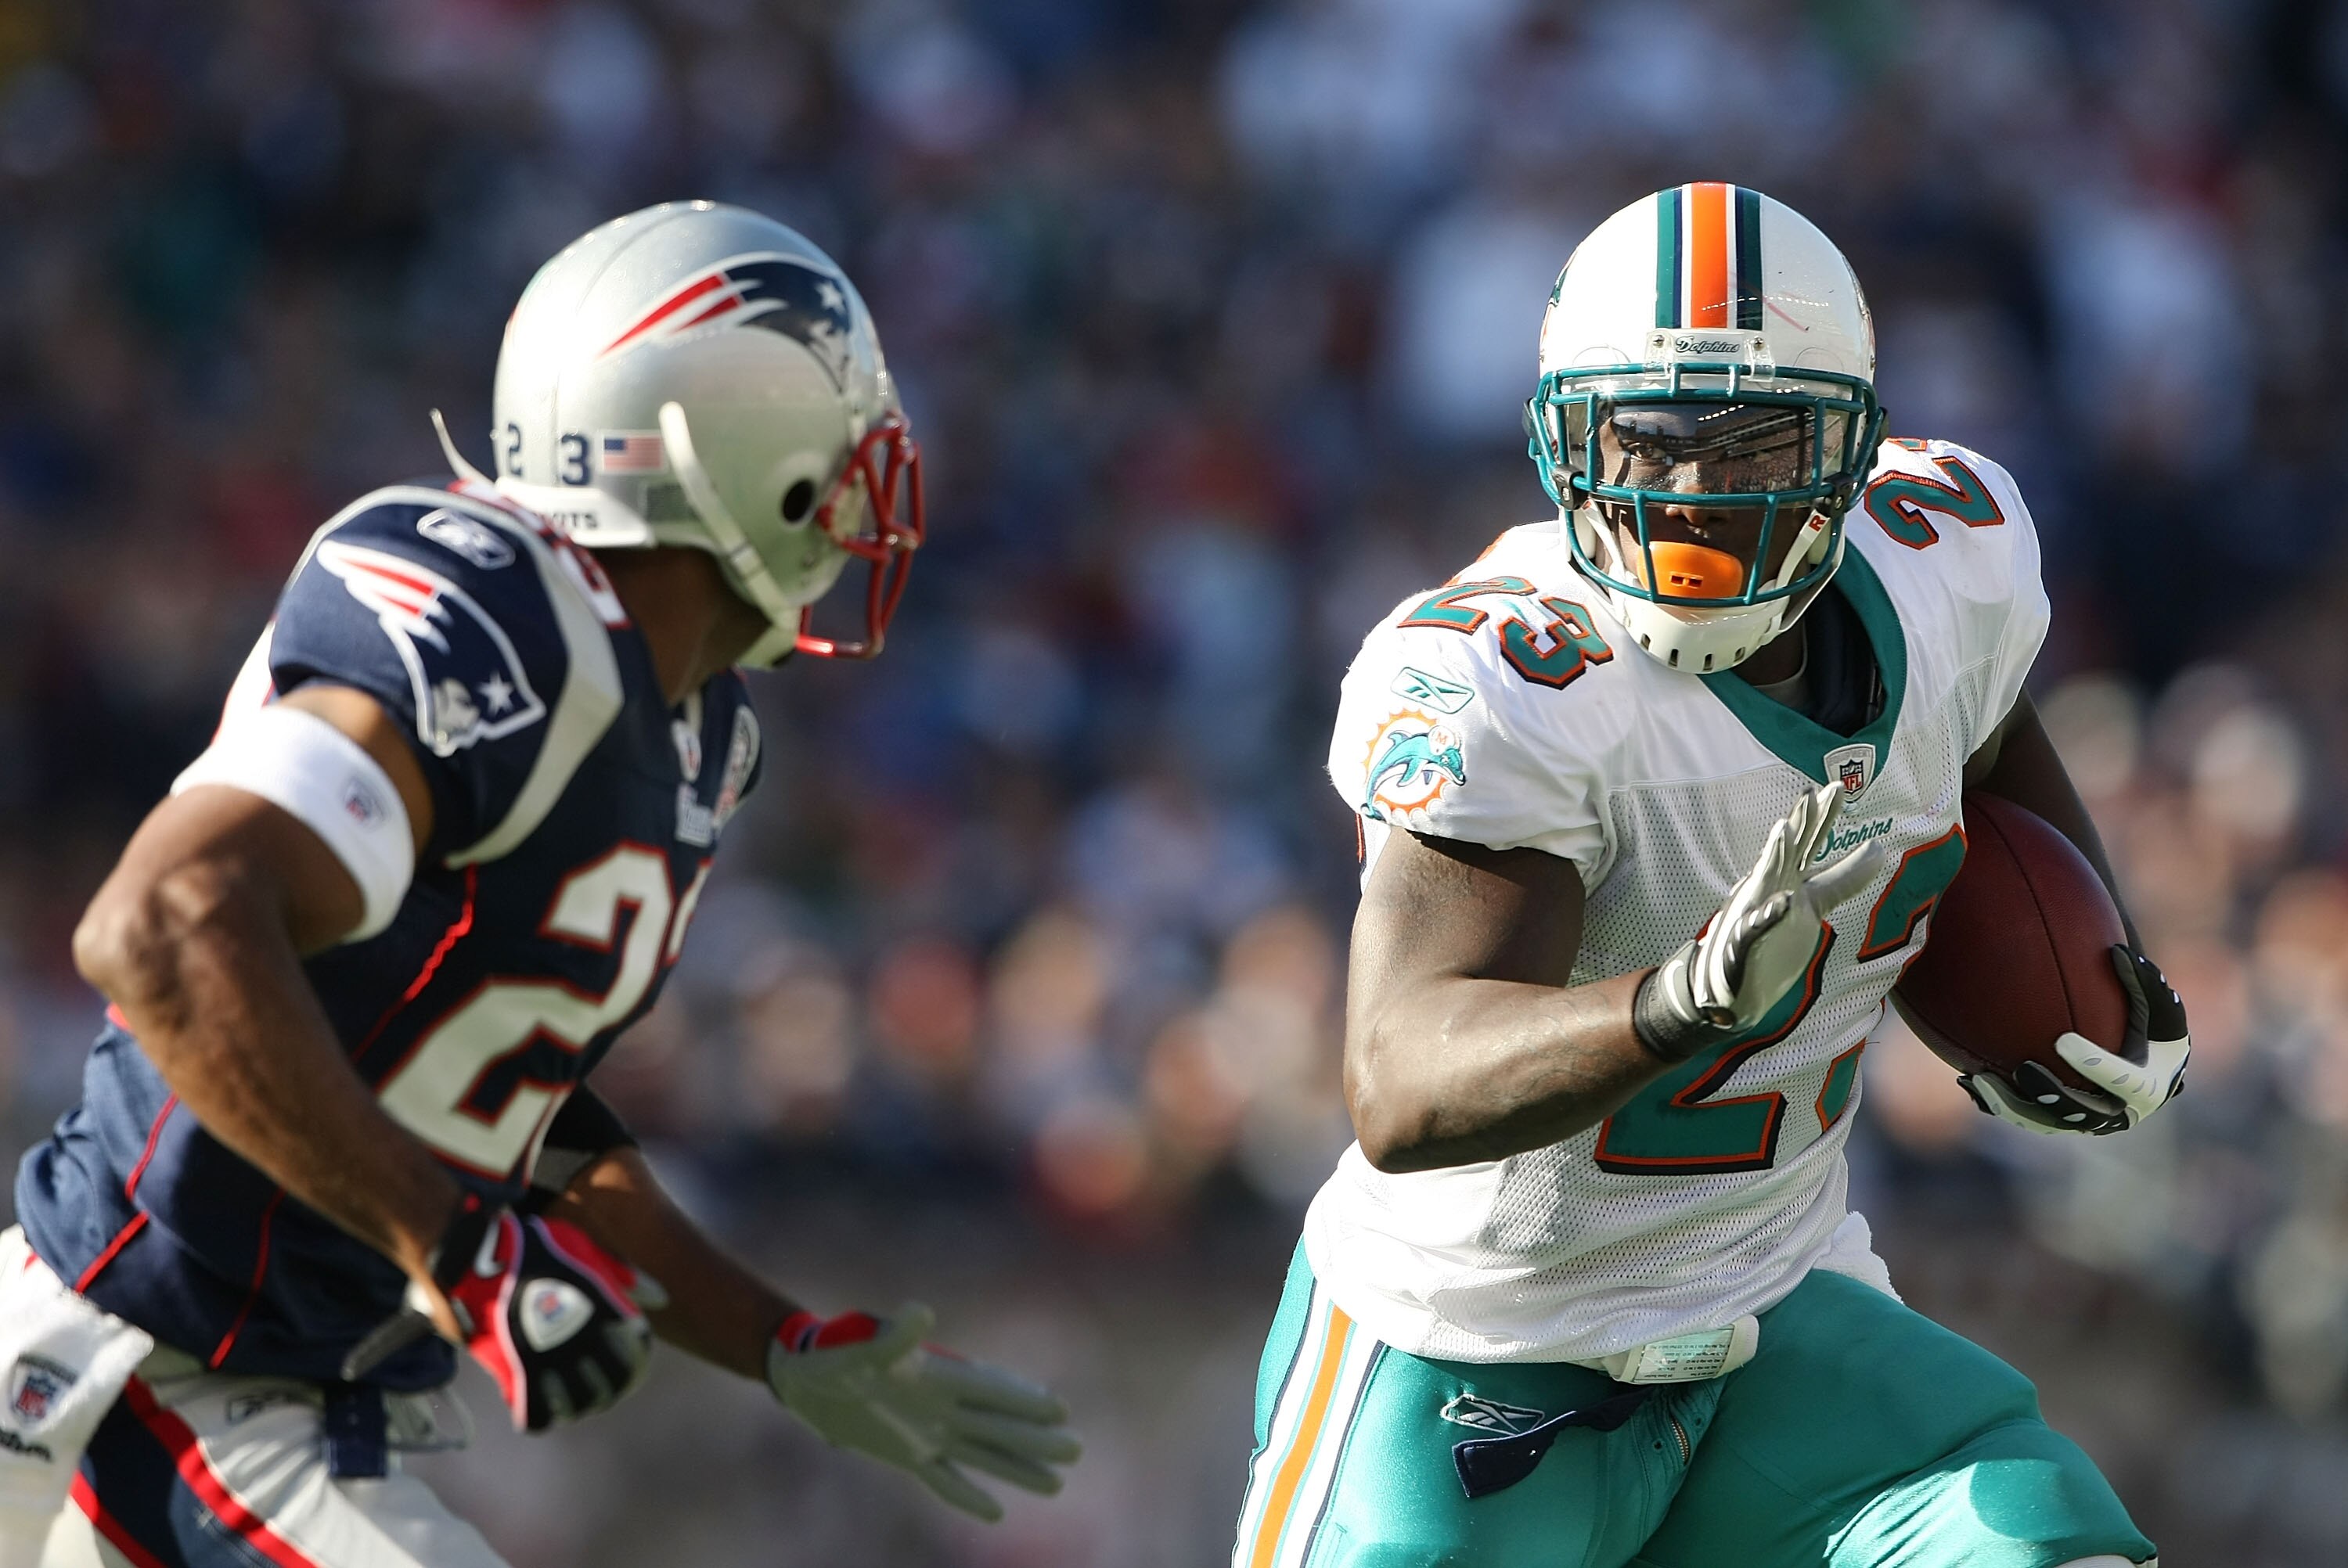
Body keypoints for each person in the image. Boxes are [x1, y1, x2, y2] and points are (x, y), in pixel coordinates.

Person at [0, 202, 1079, 1568]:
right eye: (848, 449)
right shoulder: (502, 613)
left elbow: (514, 1111)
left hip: (260, 1405)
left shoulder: (697, 735)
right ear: (736, 455)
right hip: (141, 1375)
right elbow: (162, 928)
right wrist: (458, 1248)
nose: (872, 491)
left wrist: (773, 1340)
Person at [1231, 185, 2188, 1568]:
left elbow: (1982, 736)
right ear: (1564, 442)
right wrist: (1679, 1001)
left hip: (1767, 1306)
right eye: (1646, 442)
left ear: (1848, 451)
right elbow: (1401, 1076)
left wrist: (2084, 979)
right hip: (1469, 1360)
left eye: (1748, 443)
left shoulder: (1948, 569)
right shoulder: (1512, 684)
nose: (1687, 491)